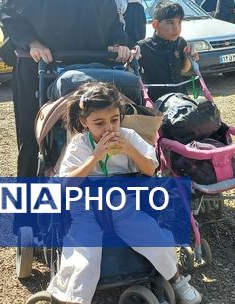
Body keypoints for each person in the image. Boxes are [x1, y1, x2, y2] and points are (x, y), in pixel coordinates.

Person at [44, 82, 202, 304]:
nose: (109, 128)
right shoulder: (79, 144)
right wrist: (95, 158)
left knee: (156, 239)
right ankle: (73, 298)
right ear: (84, 123)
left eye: (114, 120)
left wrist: (129, 149)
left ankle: (177, 280)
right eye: (99, 123)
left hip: (123, 206)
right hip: (86, 210)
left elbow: (150, 168)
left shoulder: (128, 136)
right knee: (82, 260)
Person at [0, 0, 132, 179]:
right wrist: (32, 42)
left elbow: (111, 23)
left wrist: (120, 43)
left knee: (89, 132)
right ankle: (29, 209)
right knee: (34, 139)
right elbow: (8, 12)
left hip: (87, 68)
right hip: (40, 67)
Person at [138, 0, 198, 101]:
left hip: (181, 98)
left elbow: (184, 69)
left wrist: (189, 57)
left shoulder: (181, 42)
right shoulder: (143, 47)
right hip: (157, 102)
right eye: (170, 23)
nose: (176, 28)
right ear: (156, 25)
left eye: (179, 23)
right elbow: (134, 75)